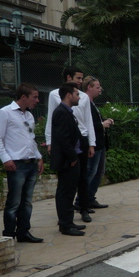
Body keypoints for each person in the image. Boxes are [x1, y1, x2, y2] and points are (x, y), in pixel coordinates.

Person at [0, 83, 44, 243]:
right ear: (24, 97)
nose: (37, 100)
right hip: (16, 163)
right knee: (14, 201)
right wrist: (6, 159)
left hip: (30, 162)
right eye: (34, 97)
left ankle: (23, 231)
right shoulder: (5, 113)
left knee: (27, 202)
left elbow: (31, 138)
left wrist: (38, 156)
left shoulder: (28, 116)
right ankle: (9, 234)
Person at [45, 66, 96, 223]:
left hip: (82, 137)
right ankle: (66, 217)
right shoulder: (55, 95)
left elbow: (88, 120)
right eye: (78, 78)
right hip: (67, 140)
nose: (81, 81)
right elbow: (51, 119)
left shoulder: (83, 97)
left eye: (82, 78)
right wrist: (49, 141)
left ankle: (84, 208)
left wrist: (91, 143)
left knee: (83, 177)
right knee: (67, 181)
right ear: (69, 78)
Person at [50, 83, 86, 237]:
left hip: (73, 157)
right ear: (69, 95)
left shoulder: (67, 111)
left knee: (70, 191)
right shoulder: (61, 112)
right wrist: (72, 157)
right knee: (65, 192)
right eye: (77, 94)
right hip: (67, 160)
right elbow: (64, 138)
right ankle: (65, 224)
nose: (79, 97)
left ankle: (68, 221)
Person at [80, 76, 113, 209]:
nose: (100, 90)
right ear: (89, 87)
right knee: (91, 172)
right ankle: (81, 200)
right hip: (93, 143)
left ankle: (90, 198)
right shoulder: (85, 102)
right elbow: (86, 123)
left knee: (98, 172)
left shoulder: (91, 103)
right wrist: (101, 124)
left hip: (99, 143)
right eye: (97, 87)